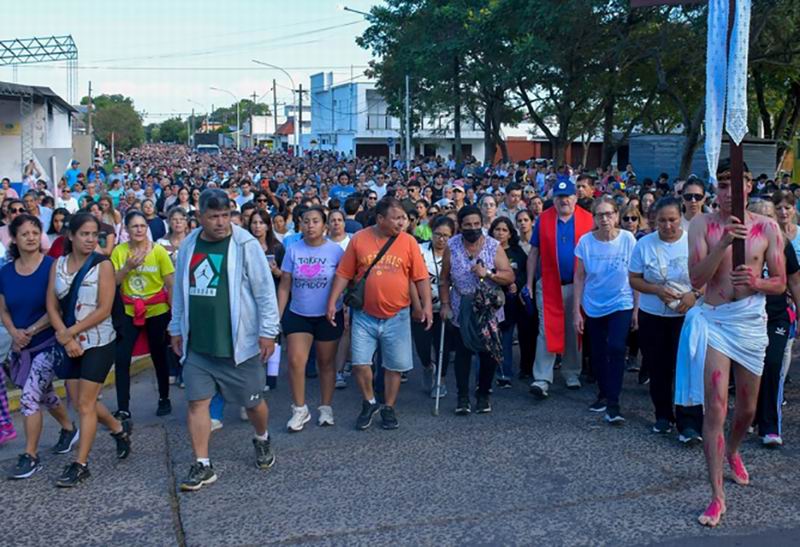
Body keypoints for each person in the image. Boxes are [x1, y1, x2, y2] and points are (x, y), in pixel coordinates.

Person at [677, 169, 784, 527]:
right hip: (716, 323)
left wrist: (757, 282)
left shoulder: (767, 228)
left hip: (751, 323)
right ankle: (716, 497)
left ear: (749, 186)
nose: (729, 192)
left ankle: (734, 450)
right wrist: (722, 243)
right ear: (715, 189)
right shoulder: (702, 226)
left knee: (748, 411)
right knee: (716, 411)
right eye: (722, 186)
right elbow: (695, 279)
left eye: (736, 185)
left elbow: (780, 282)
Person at [169, 189, 280, 491]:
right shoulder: (190, 244)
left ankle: (262, 438)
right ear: (200, 217)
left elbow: (264, 291)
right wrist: (176, 326)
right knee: (197, 403)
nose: (220, 222)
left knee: (254, 403)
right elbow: (179, 290)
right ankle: (202, 464)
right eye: (213, 216)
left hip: (239, 346)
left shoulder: (244, 244)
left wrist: (268, 332)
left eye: (225, 215)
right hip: (199, 345)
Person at [325, 197, 432, 431]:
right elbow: (344, 273)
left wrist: (425, 307)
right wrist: (332, 302)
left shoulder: (409, 242)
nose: (401, 222)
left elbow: (420, 277)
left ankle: (388, 407)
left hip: (398, 315)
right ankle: (370, 401)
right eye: (396, 218)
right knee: (360, 364)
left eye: (403, 218)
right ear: (380, 219)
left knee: (394, 366)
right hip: (364, 315)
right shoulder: (359, 240)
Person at [46, 212, 131, 487]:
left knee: (84, 403)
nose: (90, 239)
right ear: (70, 235)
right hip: (69, 343)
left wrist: (71, 332)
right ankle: (118, 429)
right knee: (86, 401)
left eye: (94, 234)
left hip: (98, 341)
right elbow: (52, 305)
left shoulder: (102, 265)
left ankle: (80, 464)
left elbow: (104, 309)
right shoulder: (57, 264)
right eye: (84, 234)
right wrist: (65, 336)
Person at [0, 215, 77, 479]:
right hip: (20, 346)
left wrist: (30, 331)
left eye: (35, 232)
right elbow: (4, 309)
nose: (31, 237)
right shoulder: (6, 272)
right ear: (14, 238)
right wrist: (13, 332)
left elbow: (55, 307)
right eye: (25, 233)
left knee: (29, 396)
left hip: (47, 343)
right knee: (43, 393)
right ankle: (69, 428)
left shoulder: (51, 266)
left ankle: (30, 455)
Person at [629, 197, 704, 442]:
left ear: (680, 217)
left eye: (672, 220)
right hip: (653, 315)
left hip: (687, 315)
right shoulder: (644, 245)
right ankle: (663, 415)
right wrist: (657, 290)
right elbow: (634, 279)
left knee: (688, 368)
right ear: (653, 221)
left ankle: (689, 423)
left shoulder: (693, 241)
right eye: (662, 221)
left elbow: (709, 275)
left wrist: (694, 295)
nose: (668, 225)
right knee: (659, 367)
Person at [440, 206, 514, 414]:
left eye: (476, 224)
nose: (472, 229)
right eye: (467, 225)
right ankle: (462, 397)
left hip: (487, 308)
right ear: (460, 226)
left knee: (487, 353)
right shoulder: (452, 246)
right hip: (461, 305)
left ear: (481, 224)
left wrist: (488, 273)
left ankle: (483, 394)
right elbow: (444, 279)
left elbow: (509, 276)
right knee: (463, 353)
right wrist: (445, 304)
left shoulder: (492, 246)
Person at [277, 207, 344, 431]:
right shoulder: (293, 250)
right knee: (296, 361)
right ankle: (299, 409)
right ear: (300, 224)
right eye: (306, 221)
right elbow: (285, 286)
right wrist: (278, 315)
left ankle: (326, 407)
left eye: (316, 221)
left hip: (328, 315)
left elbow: (343, 282)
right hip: (298, 314)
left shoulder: (335, 251)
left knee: (326, 363)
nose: (310, 225)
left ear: (324, 225)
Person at [525, 180, 594, 399]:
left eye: (568, 196)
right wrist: (528, 282)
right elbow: (534, 252)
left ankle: (572, 372)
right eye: (559, 197)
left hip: (578, 285)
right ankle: (542, 378)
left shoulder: (588, 219)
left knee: (575, 328)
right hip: (548, 284)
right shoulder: (544, 220)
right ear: (554, 198)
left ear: (575, 197)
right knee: (546, 330)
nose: (564, 200)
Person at [573, 197, 636, 424]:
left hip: (622, 301)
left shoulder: (628, 239)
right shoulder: (586, 242)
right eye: (600, 215)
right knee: (597, 354)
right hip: (593, 304)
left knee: (617, 347)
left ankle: (614, 403)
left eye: (609, 214)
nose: (605, 219)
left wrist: (637, 309)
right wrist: (576, 312)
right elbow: (579, 277)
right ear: (594, 218)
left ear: (617, 215)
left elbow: (635, 275)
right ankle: (603, 392)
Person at [111, 211, 175, 421]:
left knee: (159, 355)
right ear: (127, 230)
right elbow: (112, 282)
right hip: (129, 311)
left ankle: (164, 398)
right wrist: (128, 268)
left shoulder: (158, 252)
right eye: (134, 226)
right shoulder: (119, 252)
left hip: (156, 310)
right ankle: (123, 407)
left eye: (142, 226)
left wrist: (175, 317)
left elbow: (170, 284)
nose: (139, 230)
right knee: (122, 359)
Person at [750, 200, 800, 447]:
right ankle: (751, 415)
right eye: (760, 216)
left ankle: (769, 426)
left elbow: (795, 281)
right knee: (750, 369)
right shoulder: (741, 244)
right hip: (747, 316)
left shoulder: (784, 245)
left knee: (772, 364)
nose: (767, 220)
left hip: (777, 316)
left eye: (770, 216)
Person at [413, 216, 456, 398]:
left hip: (446, 307)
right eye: (438, 234)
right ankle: (427, 366)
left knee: (443, 345)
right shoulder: (420, 250)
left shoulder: (455, 252)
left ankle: (441, 380)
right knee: (422, 345)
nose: (441, 239)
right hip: (423, 306)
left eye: (446, 236)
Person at [489, 217, 528, 388]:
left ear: (510, 233)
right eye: (497, 229)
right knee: (490, 338)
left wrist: (516, 284)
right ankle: (486, 374)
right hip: (490, 300)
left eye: (504, 230)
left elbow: (525, 273)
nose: (500, 233)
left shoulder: (517, 252)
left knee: (506, 338)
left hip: (511, 302)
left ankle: (505, 373)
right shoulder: (487, 250)